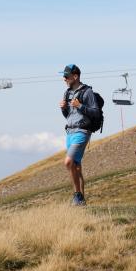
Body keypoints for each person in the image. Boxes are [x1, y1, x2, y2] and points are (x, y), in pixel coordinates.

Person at [59, 64, 100, 205]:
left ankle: (77, 195)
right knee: (76, 167)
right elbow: (68, 116)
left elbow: (96, 112)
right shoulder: (67, 93)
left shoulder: (87, 92)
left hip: (82, 131)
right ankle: (82, 201)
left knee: (68, 162)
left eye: (66, 76)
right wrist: (64, 109)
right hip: (70, 131)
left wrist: (80, 106)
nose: (64, 79)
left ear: (75, 76)